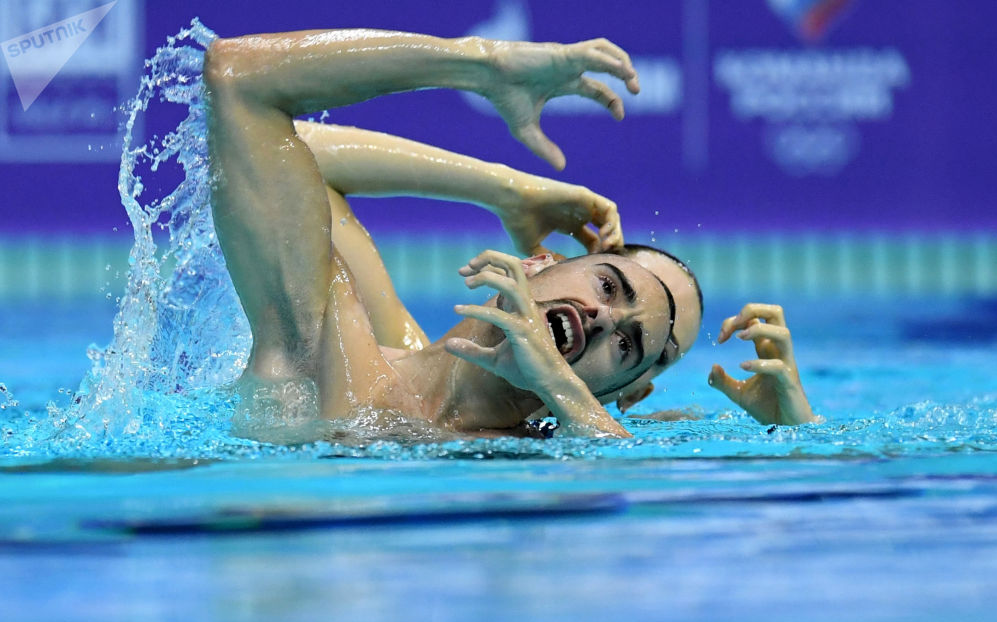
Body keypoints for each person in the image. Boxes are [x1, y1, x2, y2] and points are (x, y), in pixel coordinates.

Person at [203, 27, 816, 442]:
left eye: (628, 347)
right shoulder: (327, 335)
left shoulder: (557, 452)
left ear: (617, 397)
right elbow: (250, 96)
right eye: (609, 283)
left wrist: (794, 441)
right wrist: (501, 172)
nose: (603, 319)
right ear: (540, 261)